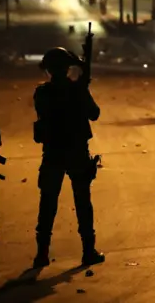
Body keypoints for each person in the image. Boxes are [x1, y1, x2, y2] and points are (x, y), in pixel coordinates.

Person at [32, 47, 105, 268]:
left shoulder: (41, 93)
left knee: (47, 204)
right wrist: (82, 86)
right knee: (82, 201)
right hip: (76, 151)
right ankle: (88, 251)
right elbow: (95, 114)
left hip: (53, 152)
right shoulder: (77, 90)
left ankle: (42, 254)